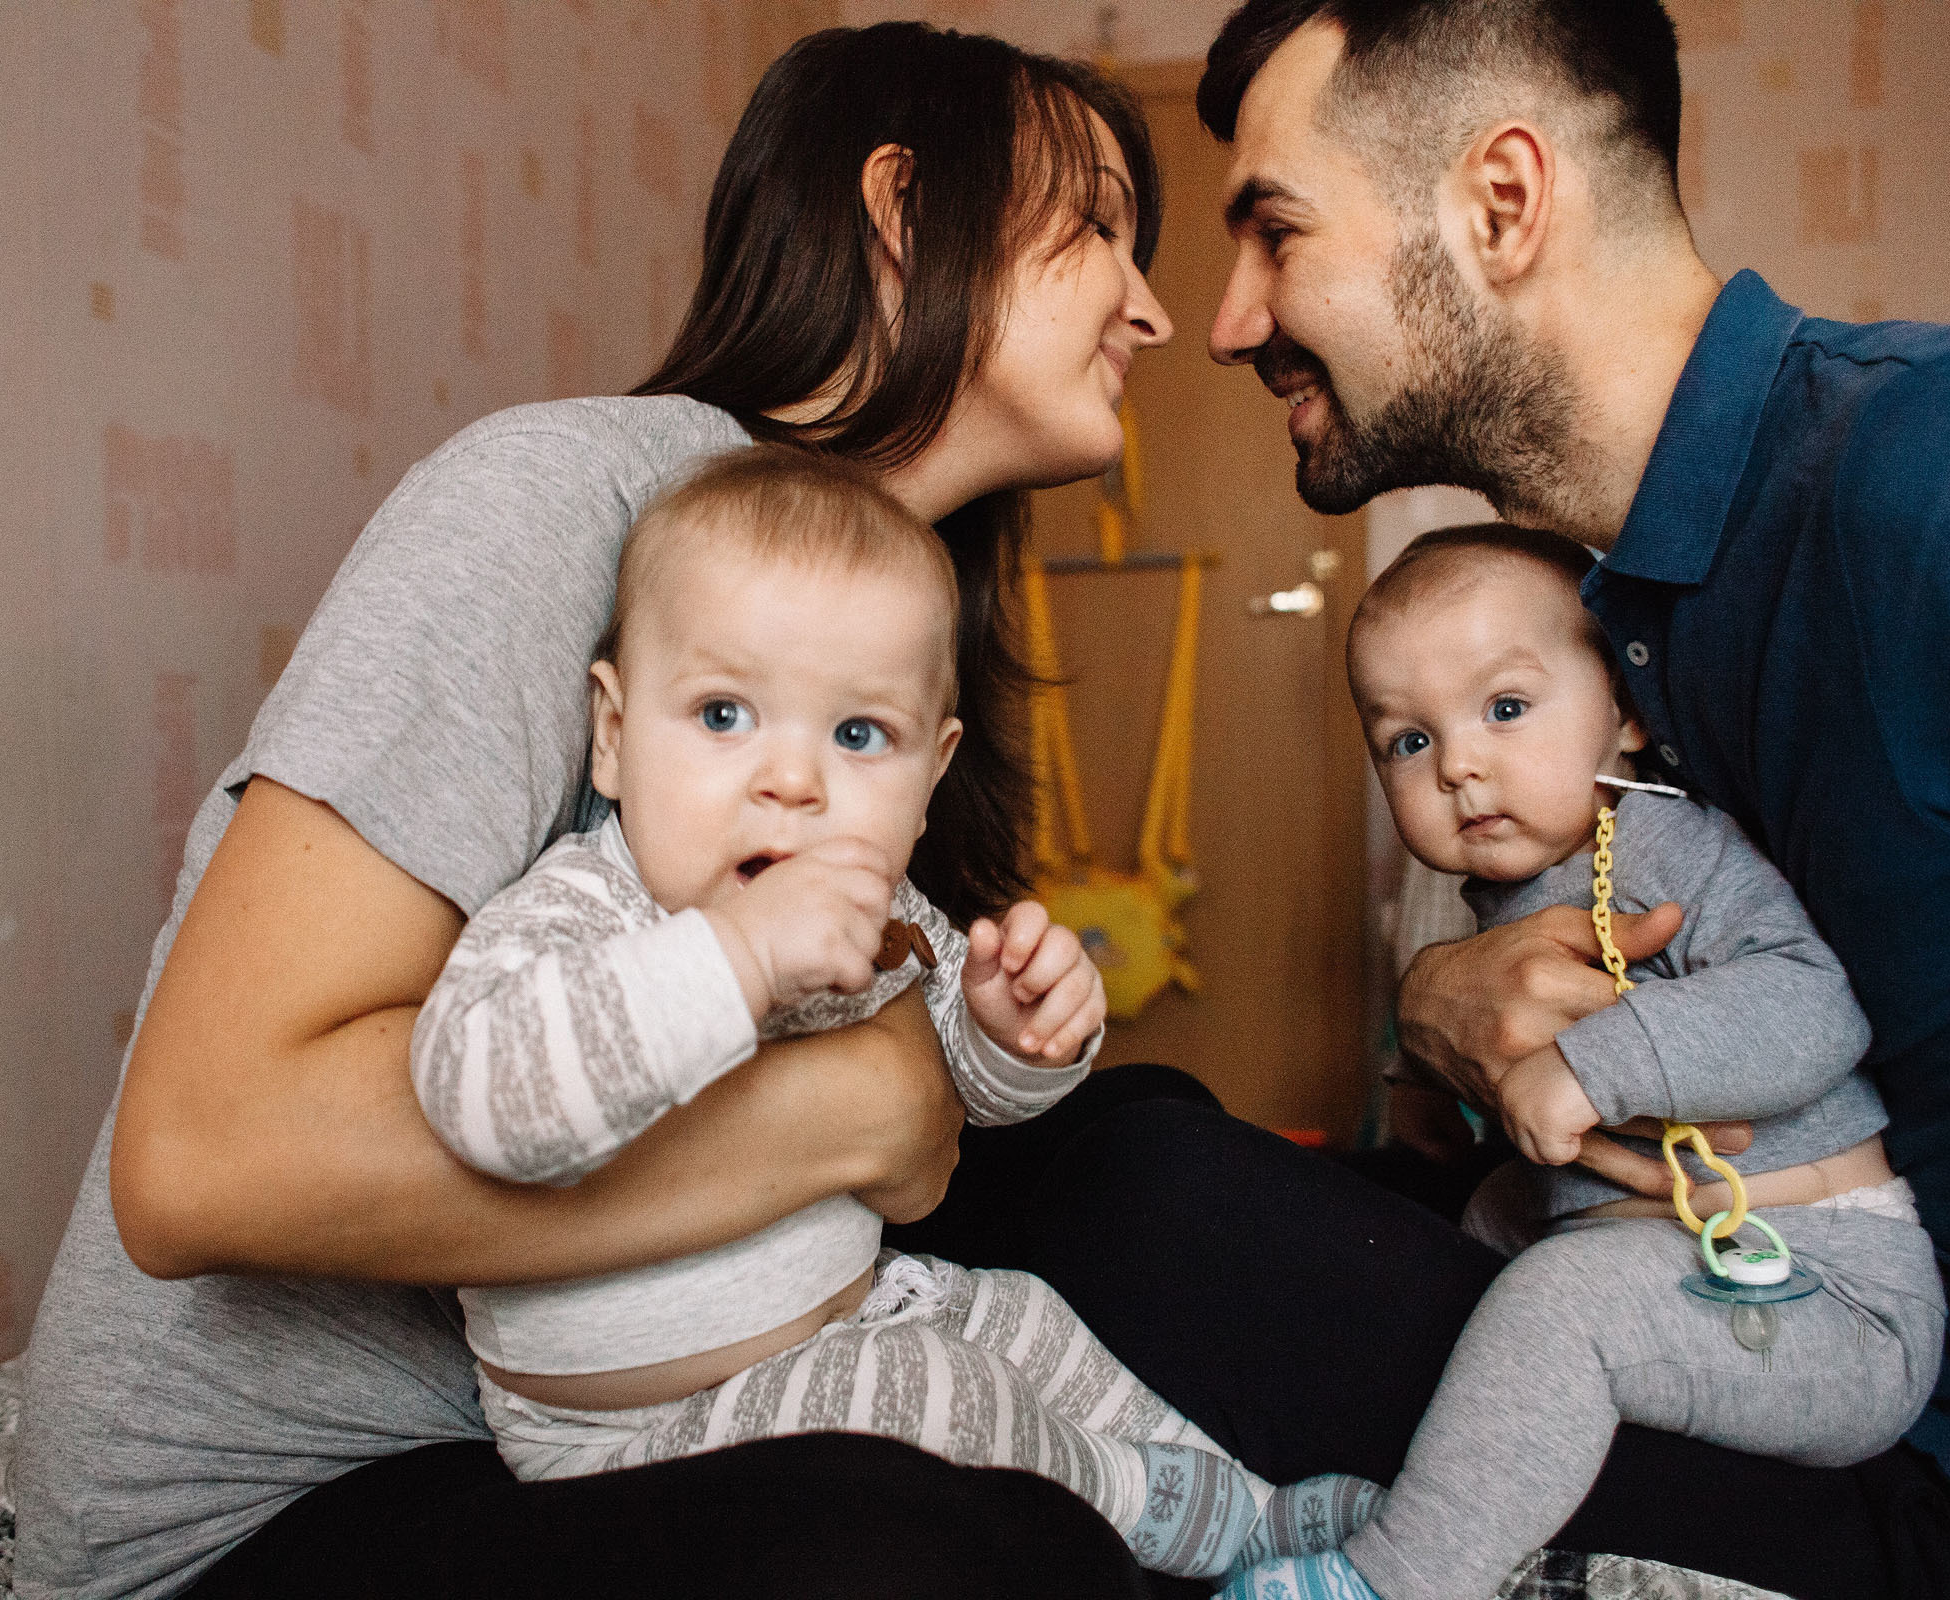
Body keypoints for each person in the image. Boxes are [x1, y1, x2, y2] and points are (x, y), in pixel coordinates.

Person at [13, 24, 1198, 1600]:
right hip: (277, 1513)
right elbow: (201, 1160)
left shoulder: (912, 630)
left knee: (1154, 1144)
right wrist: (862, 1105)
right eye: (1098, 224)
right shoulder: (556, 501)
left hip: (645, 1401)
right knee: (930, 1547)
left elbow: (928, 1093)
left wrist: (982, 1052)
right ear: (903, 212)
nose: (1153, 307)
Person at [1086, 0, 1950, 1593]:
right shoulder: (1611, 606)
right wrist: (1443, 993)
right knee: (1129, 1133)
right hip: (1726, 1294)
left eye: (1275, 231)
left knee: (1143, 1202)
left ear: (1502, 203)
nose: (1225, 321)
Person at [412, 446, 1323, 1583]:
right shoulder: (583, 908)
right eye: (724, 714)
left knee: (1024, 1321)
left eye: (856, 736)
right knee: (926, 1391)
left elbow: (966, 1103)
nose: (792, 783)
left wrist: (1013, 1036)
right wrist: (738, 957)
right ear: (613, 732)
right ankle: (1172, 1515)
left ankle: (1258, 1512)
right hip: (624, 1439)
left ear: (931, 774)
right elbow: (482, 1094)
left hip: (847, 1319)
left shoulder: (886, 916)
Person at [1225, 523, 1946, 1600]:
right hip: (1674, 1256)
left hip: (1829, 1292)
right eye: (1408, 741)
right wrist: (1439, 1094)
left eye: (1506, 708)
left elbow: (1814, 1007)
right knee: (1463, 1247)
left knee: (1557, 1307)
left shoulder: (1665, 843)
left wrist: (1592, 1067)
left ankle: (1399, 1576)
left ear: (1627, 714)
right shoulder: (1502, 892)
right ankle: (1398, 1497)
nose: (1459, 764)